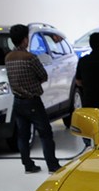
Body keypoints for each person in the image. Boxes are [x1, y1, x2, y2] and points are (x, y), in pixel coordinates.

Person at [5, 24, 61, 174]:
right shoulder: (30, 58)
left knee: (23, 135)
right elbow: (43, 75)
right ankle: (52, 165)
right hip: (33, 101)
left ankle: (28, 165)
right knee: (45, 133)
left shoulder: (8, 57)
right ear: (25, 39)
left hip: (17, 101)